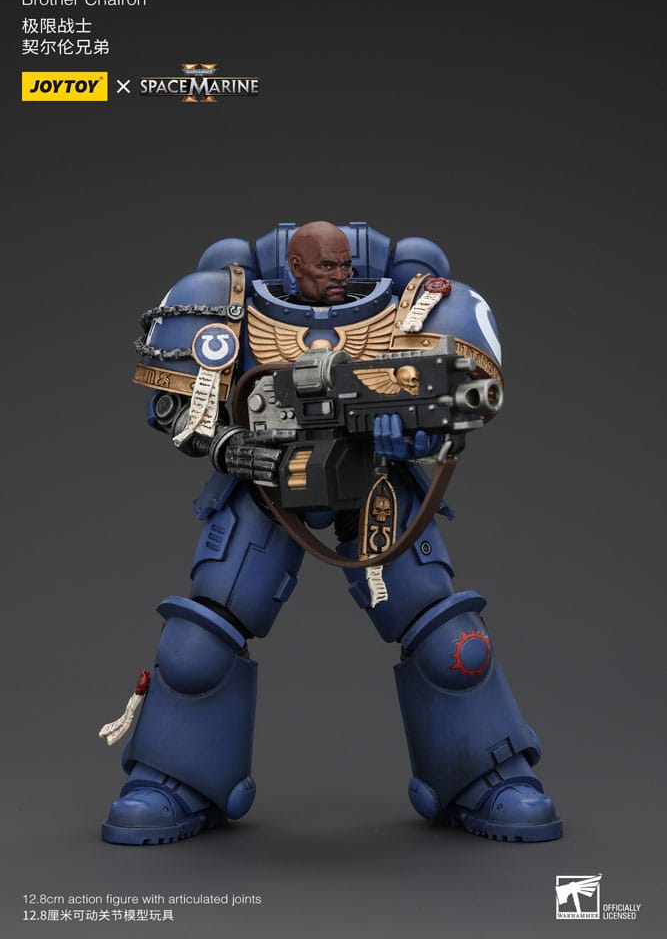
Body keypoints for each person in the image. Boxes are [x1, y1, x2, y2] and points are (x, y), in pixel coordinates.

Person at [100, 220, 562, 844]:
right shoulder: (224, 300)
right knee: (195, 647)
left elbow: (468, 400)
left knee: (451, 642)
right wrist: (232, 445)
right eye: (326, 267)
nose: (341, 276)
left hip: (374, 485)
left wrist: (413, 436)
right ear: (293, 266)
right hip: (266, 488)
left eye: (347, 266)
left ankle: (484, 774)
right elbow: (175, 411)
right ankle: (175, 778)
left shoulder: (414, 304)